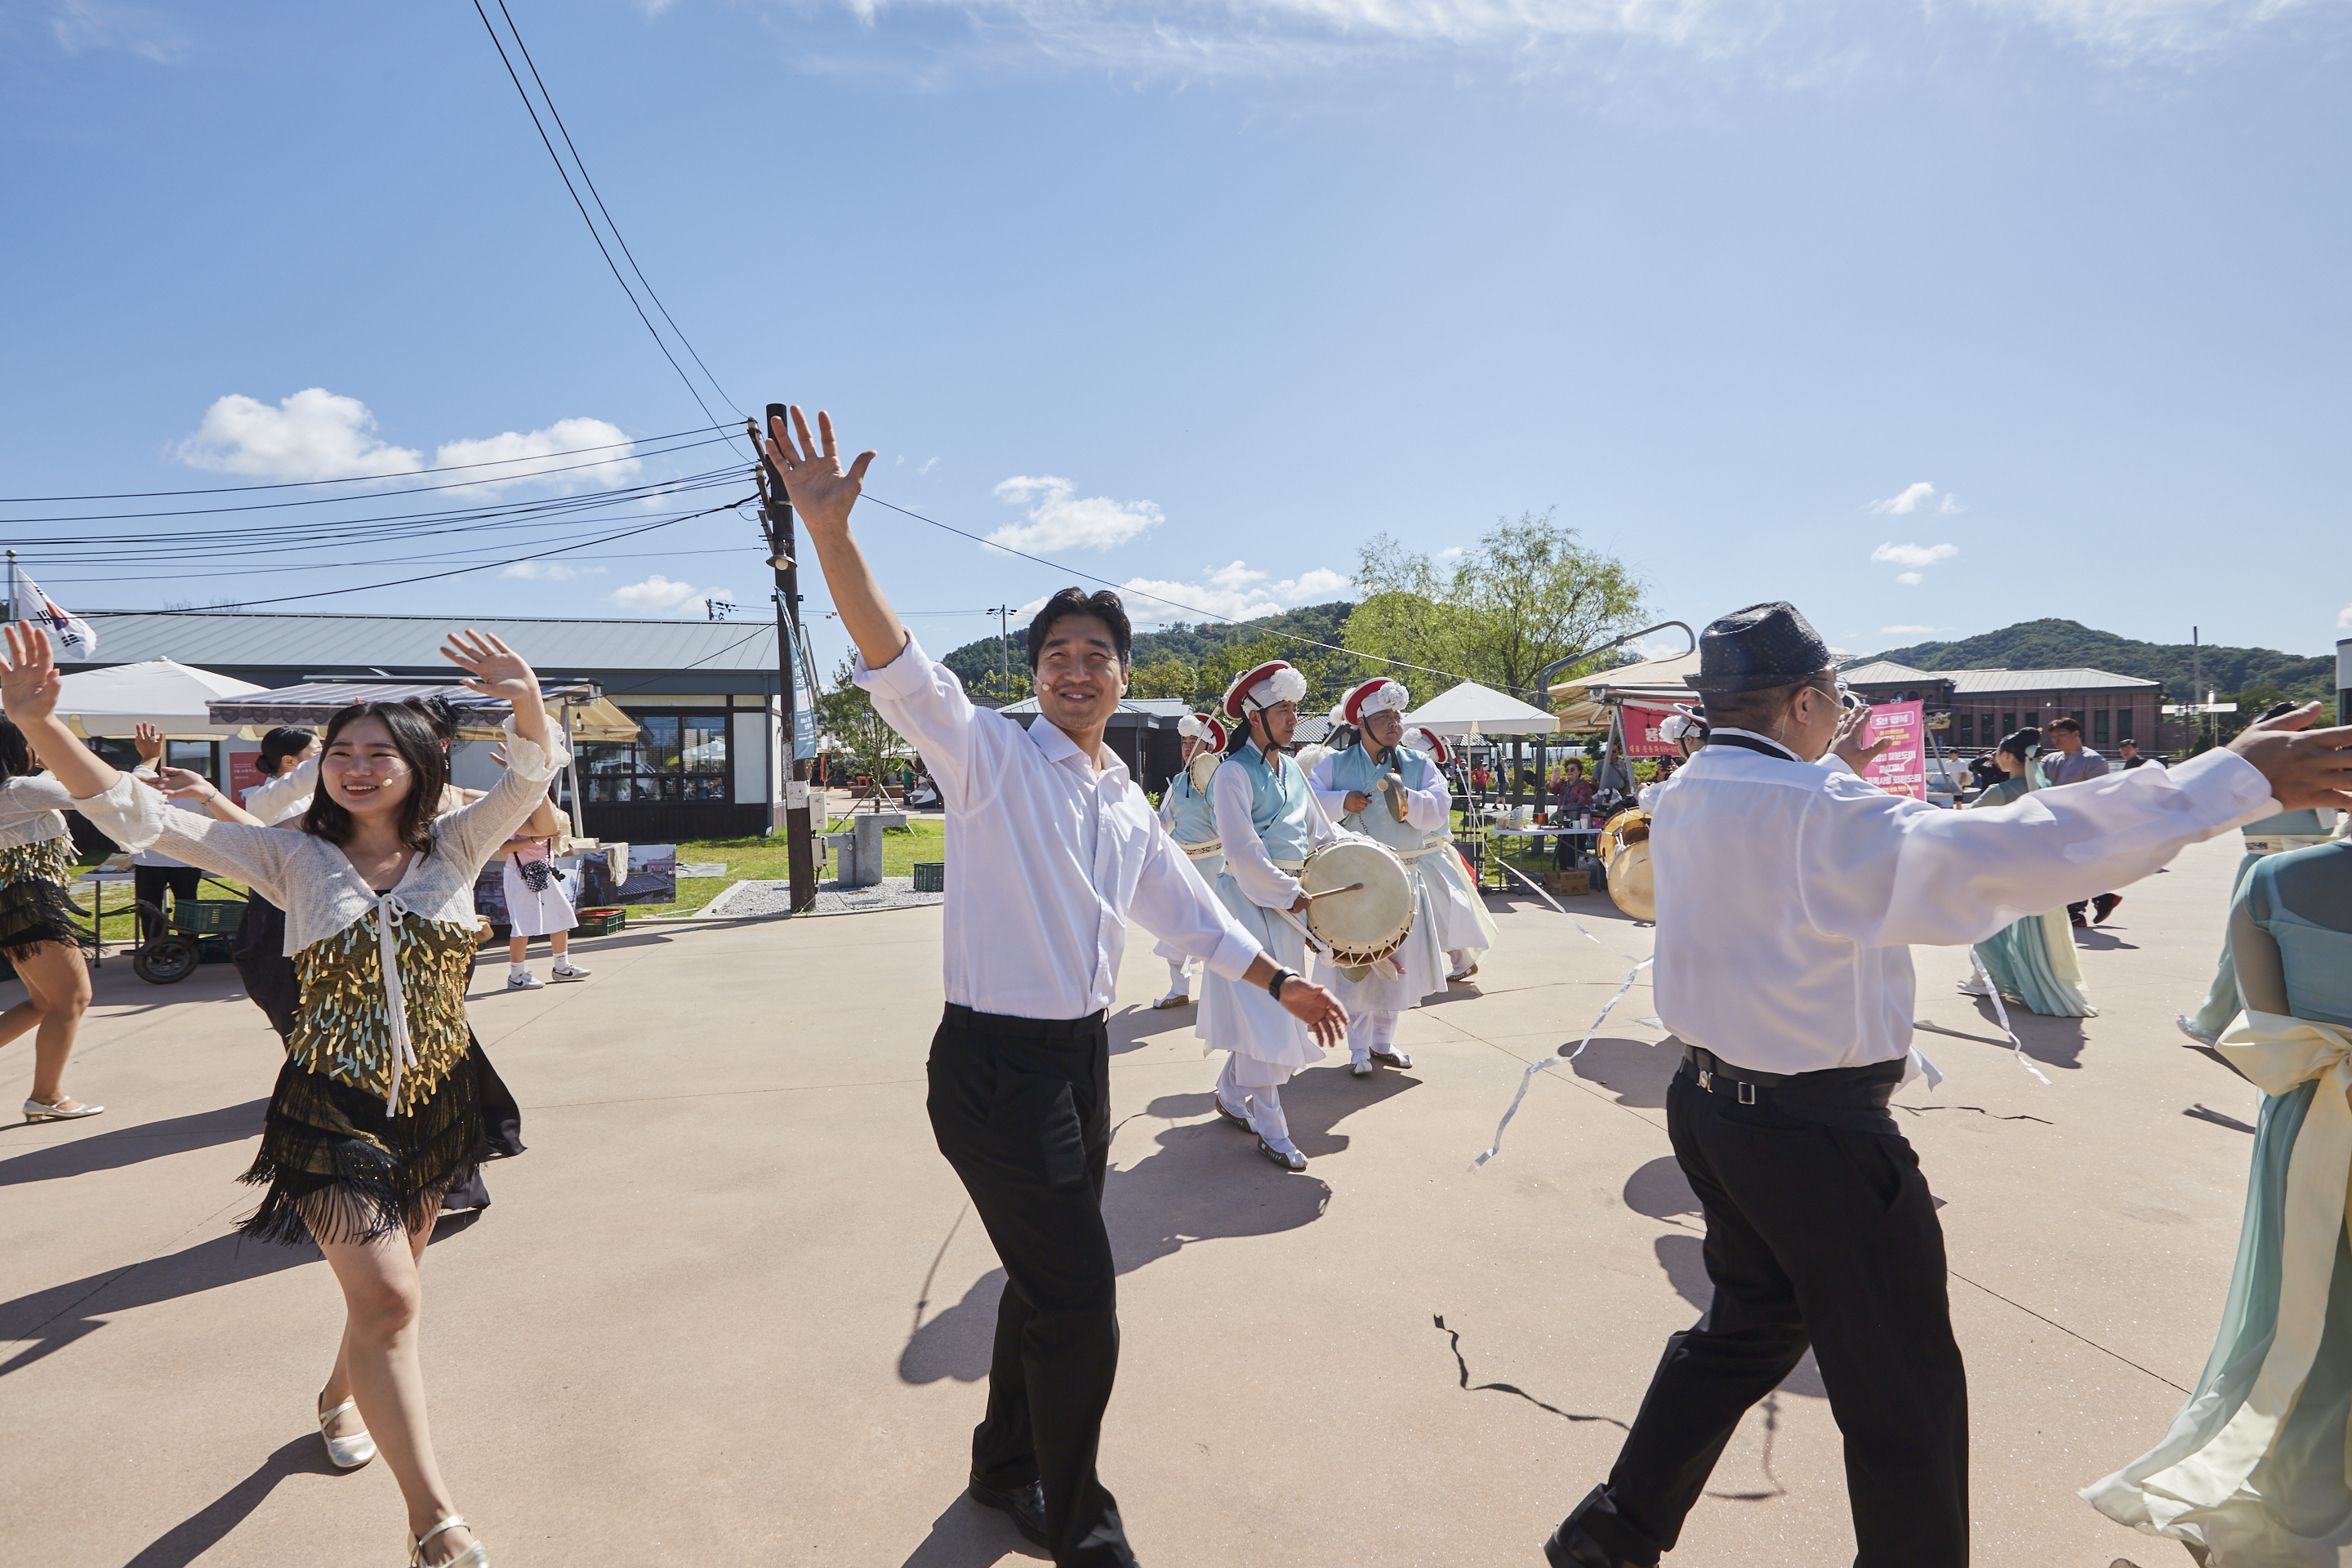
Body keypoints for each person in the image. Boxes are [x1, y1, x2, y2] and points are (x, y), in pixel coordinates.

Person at [1541, 599, 2352, 1568]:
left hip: (1713, 1108)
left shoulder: (1686, 796)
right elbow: (2012, 852)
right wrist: (2226, 780)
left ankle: (1610, 1535)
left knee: (1745, 1330)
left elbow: (1816, 846)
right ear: (1806, 700)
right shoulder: (1816, 811)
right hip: (1814, 1134)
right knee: (1904, 1398)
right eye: (1832, 696)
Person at [767, 406, 1344, 1568]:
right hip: (992, 1067)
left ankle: (998, 1466)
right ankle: (1074, 1515)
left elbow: (1179, 909)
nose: (1078, 672)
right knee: (1082, 1298)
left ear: (1123, 677)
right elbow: (899, 666)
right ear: (1031, 676)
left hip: (1080, 1060)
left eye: (1098, 657)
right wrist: (832, 536)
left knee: (1048, 1276)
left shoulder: (1121, 793)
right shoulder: (987, 760)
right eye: (1057, 657)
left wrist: (1278, 977)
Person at [6, 622, 562, 1568]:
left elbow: (531, 775)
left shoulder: (459, 848)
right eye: (342, 752)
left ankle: (338, 1396)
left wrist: (525, 695)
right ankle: (435, 1521)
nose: (356, 766)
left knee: (395, 1293)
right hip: (328, 1113)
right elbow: (143, 816)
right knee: (388, 1302)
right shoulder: (290, 858)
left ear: (419, 764)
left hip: (434, 1107)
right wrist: (42, 726)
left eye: (379, 753)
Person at [2084, 835, 2352, 1562]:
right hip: (2316, 1104)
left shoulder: (2272, 882)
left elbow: (2264, 1030)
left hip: (2314, 1117)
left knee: (2306, 1318)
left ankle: (2290, 1500)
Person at [1200, 657, 1364, 1170]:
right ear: (1254, 716)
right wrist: (1290, 892)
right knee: (1269, 1017)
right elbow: (1243, 853)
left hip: (1291, 904)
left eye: (1295, 707)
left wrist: (1364, 862)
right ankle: (1273, 1129)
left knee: (1263, 1016)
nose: (1294, 718)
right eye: (1283, 709)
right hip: (1249, 905)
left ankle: (1229, 1094)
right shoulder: (1230, 773)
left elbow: (1324, 832)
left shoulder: (1292, 767)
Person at [2178, 701, 2340, 1046]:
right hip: (2317, 864)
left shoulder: (2256, 769)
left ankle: (2215, 1021)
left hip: (2265, 865)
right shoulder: (2320, 763)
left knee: (2243, 948)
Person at [1307, 676, 1447, 1075]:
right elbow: (1310, 806)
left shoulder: (1420, 764)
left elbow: (1440, 807)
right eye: (1384, 716)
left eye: (1397, 715)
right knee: (1359, 962)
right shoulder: (1333, 764)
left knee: (1395, 963)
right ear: (1363, 723)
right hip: (1354, 879)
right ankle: (1358, 1050)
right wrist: (1341, 800)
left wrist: (1409, 800)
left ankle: (1383, 1041)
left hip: (1403, 876)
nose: (1394, 723)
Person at [1955, 728, 2096, 1018]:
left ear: (2007, 756)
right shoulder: (2044, 791)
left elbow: (1963, 822)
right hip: (2036, 874)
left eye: (1997, 753)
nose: (1994, 757)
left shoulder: (2001, 791)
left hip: (2000, 871)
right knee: (2033, 931)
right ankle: (2009, 977)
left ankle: (1988, 977)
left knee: (1989, 925)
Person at [0, 714, 97, 1122]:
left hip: (15, 903)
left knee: (43, 1001)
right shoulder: (22, 789)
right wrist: (147, 762)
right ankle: (48, 1095)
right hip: (32, 902)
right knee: (72, 998)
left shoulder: (18, 790)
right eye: (31, 739)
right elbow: (96, 792)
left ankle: (47, 1094)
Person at [229, 724, 322, 1039]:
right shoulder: (264, 798)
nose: (328, 756)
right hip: (279, 916)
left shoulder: (318, 796)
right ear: (290, 762)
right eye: (318, 751)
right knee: (293, 1009)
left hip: (315, 909)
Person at [1151, 713, 1226, 1009]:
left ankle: (1215, 992)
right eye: (1184, 741)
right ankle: (1178, 989)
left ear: (1209, 746)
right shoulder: (1178, 780)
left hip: (1215, 868)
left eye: (1194, 741)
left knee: (1215, 931)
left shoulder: (1222, 779)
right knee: (1175, 927)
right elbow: (1165, 822)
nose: (1186, 746)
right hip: (1182, 868)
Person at [1414, 726, 1494, 982]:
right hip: (1423, 857)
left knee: (1441, 917)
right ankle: (1455, 963)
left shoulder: (1433, 784)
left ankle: (1459, 962)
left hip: (1430, 858)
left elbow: (1427, 824)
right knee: (1437, 916)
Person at [127, 723, 207, 947]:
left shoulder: (146, 788)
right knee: (187, 905)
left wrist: (149, 758)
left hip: (155, 857)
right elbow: (209, 821)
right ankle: (188, 947)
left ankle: (156, 947)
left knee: (150, 906)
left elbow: (132, 786)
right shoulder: (198, 789)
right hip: (177, 857)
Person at [2044, 716, 2122, 925]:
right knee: (2068, 866)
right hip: (2054, 822)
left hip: (2081, 822)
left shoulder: (2093, 760)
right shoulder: (2050, 759)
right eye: (2053, 737)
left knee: (2073, 864)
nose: (2056, 740)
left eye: (2061, 735)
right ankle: (2099, 897)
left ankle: (2079, 910)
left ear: (2076, 734)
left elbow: (2100, 793)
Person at [501, 820, 590, 990]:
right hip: (520, 873)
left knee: (562, 916)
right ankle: (516, 975)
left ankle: (562, 967)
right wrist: (537, 838)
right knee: (522, 924)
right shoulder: (518, 815)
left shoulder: (551, 814)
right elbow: (504, 848)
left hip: (545, 869)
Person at [1552, 760, 1597, 871]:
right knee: (1562, 849)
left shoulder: (1583, 784)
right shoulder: (1563, 783)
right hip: (1563, 821)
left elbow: (1583, 802)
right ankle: (1564, 872)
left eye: (1572, 769)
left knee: (1574, 849)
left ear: (1579, 771)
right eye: (1567, 770)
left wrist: (1571, 810)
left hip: (1577, 821)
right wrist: (1554, 778)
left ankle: (1575, 872)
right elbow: (1552, 789)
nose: (1569, 772)